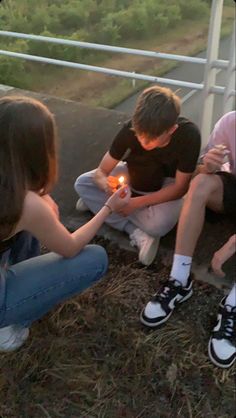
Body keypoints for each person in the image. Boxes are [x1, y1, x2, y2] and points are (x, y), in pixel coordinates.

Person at [0, 96, 130, 352]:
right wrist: (108, 208)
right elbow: (69, 248)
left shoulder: (12, 190)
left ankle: (16, 279)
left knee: (41, 220)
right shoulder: (25, 204)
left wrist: (43, 201)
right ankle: (8, 324)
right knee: (95, 258)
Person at [140, 111, 236, 369]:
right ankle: (179, 280)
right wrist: (210, 164)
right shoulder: (230, 122)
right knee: (201, 183)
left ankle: (233, 306)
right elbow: (202, 168)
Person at [74, 86, 201, 266]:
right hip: (134, 173)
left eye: (151, 138)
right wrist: (105, 186)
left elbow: (180, 188)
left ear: (171, 129)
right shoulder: (132, 128)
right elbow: (101, 172)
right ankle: (134, 229)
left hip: (167, 184)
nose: (144, 142)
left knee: (158, 226)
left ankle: (102, 206)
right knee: (83, 184)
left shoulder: (189, 136)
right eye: (140, 135)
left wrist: (133, 204)